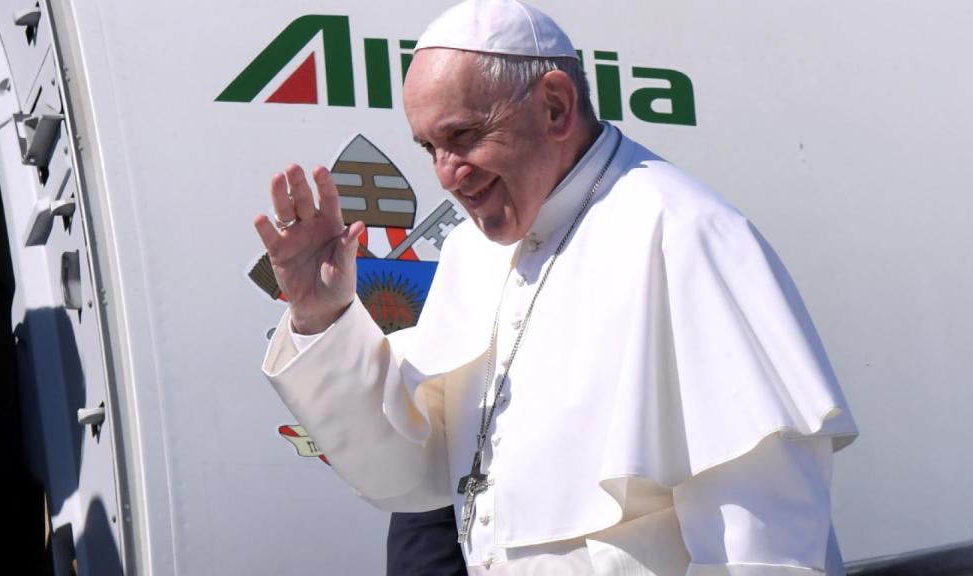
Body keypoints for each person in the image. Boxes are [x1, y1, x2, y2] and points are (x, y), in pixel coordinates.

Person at [253, 0, 858, 573]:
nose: (446, 175)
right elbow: (409, 471)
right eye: (430, 147)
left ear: (555, 107)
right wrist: (322, 315)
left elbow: (761, 538)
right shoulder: (470, 253)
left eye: (463, 137)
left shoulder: (681, 232)